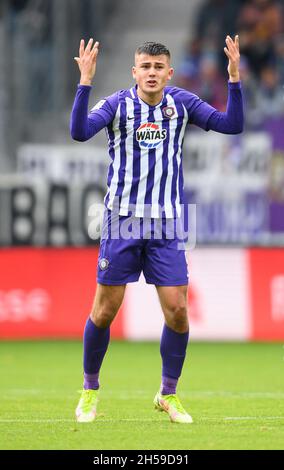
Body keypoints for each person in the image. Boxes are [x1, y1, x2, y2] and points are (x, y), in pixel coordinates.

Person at [70, 36, 243, 424]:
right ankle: (89, 391)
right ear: (135, 72)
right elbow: (79, 132)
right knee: (104, 310)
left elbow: (233, 124)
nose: (151, 73)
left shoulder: (181, 104)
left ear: (169, 72)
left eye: (157, 67)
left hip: (167, 222)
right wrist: (85, 82)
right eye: (144, 67)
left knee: (179, 311)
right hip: (122, 221)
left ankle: (168, 394)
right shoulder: (117, 105)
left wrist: (234, 79)